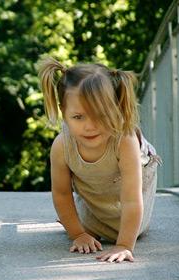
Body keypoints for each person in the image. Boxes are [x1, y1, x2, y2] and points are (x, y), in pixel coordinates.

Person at [38, 57, 162, 263]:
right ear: (63, 111)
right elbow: (61, 193)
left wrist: (123, 245)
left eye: (100, 115)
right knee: (84, 226)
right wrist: (78, 234)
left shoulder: (125, 141)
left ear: (115, 108)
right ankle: (84, 226)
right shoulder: (61, 146)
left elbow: (131, 199)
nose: (90, 126)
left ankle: (117, 233)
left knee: (128, 230)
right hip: (95, 191)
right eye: (78, 117)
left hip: (132, 199)